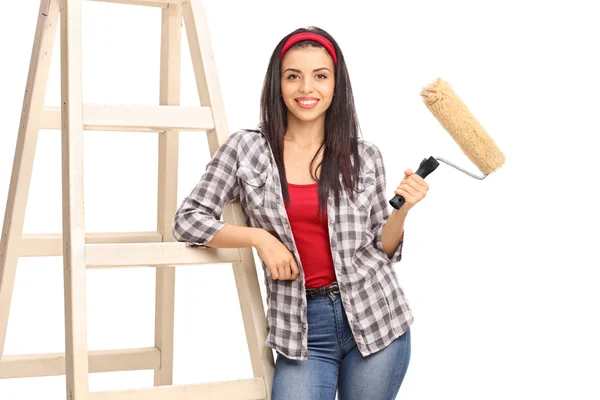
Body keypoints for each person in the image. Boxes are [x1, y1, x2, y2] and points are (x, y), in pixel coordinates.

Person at [172, 26, 429, 400]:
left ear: (336, 85)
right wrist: (260, 239)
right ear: (278, 84)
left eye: (320, 76)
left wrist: (402, 211)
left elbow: (382, 248)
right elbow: (189, 219)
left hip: (377, 317)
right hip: (302, 329)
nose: (307, 88)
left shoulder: (364, 154)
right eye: (294, 76)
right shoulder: (246, 149)